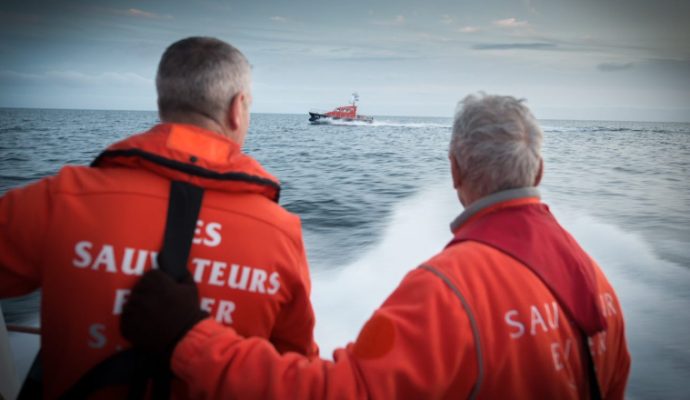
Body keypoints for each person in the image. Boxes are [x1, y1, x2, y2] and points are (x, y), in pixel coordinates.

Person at [121, 93, 631, 399]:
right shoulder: (599, 286)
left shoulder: (449, 290)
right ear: (538, 171)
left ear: (453, 169)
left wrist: (190, 339)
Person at [0, 36, 318, 398]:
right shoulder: (281, 232)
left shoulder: (61, 198)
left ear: (163, 102)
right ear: (237, 107)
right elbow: (296, 367)